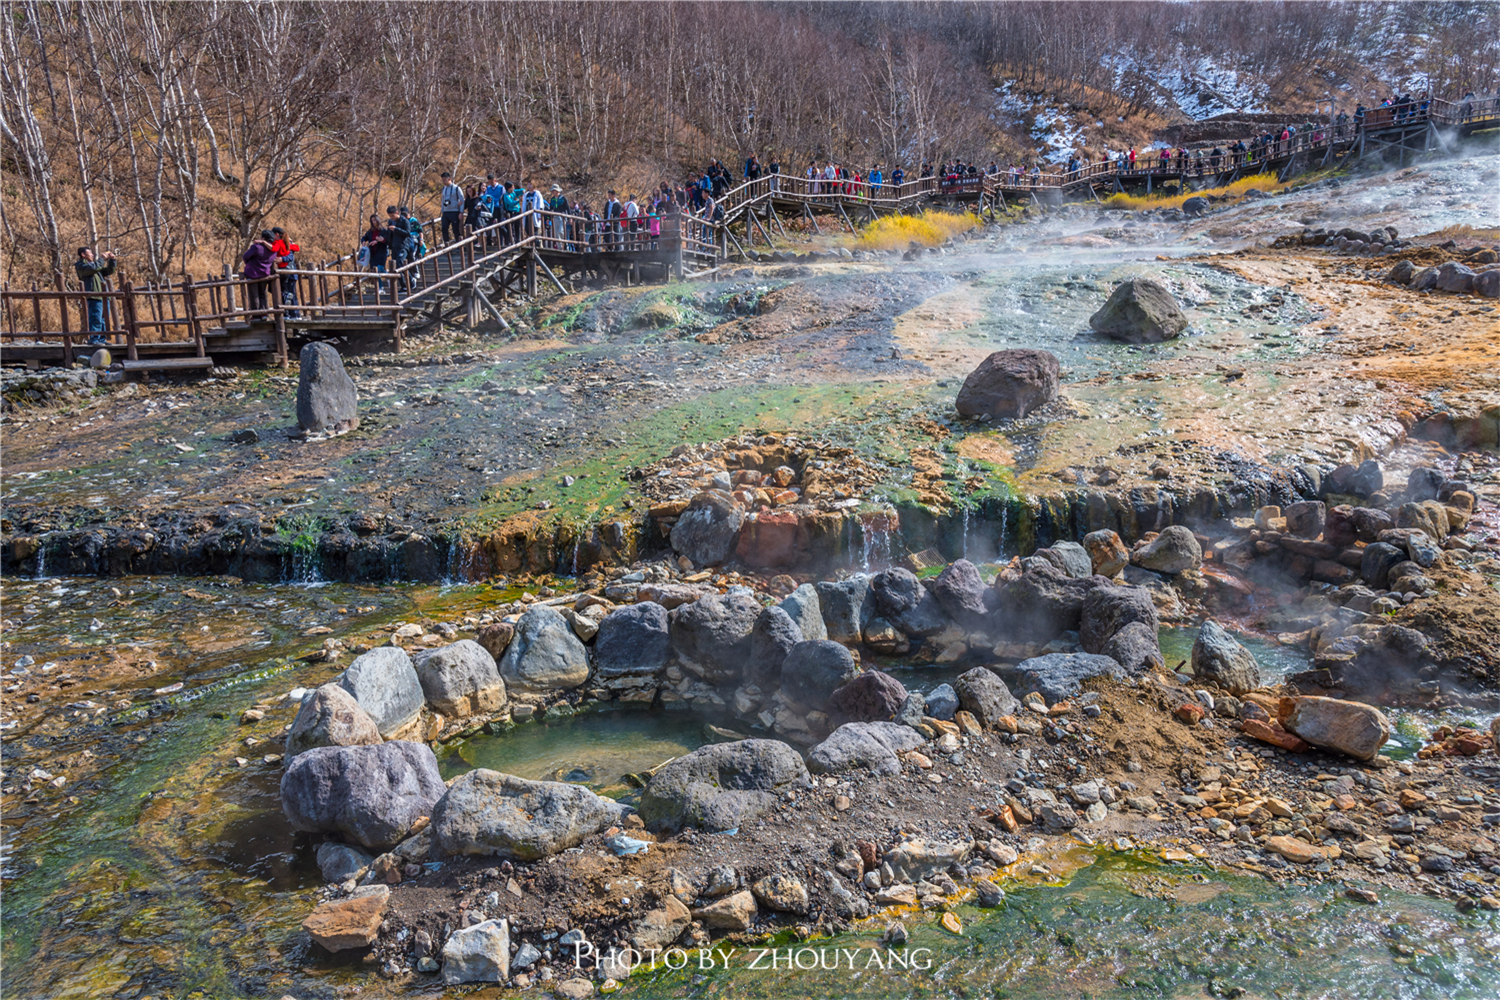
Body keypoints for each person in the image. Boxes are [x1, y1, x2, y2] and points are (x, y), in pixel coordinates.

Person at [74, 247, 116, 345]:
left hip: (103, 296)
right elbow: (93, 269)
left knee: (103, 319)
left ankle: (101, 339)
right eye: (90, 253)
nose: (92, 255)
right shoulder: (81, 266)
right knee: (95, 318)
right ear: (83, 255)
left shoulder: (95, 265)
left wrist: (112, 260)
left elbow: (108, 271)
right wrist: (101, 259)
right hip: (93, 295)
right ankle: (94, 339)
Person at [241, 229, 277, 314]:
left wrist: (248, 263)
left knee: (254, 295)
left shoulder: (257, 247)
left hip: (253, 272)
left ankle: (256, 314)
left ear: (263, 238)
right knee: (263, 294)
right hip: (265, 273)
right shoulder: (273, 250)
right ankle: (264, 313)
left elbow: (245, 256)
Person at [270, 227, 299, 313]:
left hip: (289, 272)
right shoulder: (286, 244)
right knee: (287, 295)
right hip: (288, 272)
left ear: (277, 235)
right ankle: (289, 314)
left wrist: (282, 259)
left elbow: (291, 256)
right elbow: (296, 248)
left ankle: (294, 314)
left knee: (291, 295)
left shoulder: (284, 244)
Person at [439, 171, 464, 244]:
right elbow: (443, 200)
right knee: (444, 228)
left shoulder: (457, 188)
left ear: (449, 179)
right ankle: (446, 245)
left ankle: (459, 245)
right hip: (446, 212)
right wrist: (442, 211)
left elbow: (462, 200)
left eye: (444, 179)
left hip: (455, 211)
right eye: (442, 180)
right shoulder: (444, 189)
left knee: (455, 229)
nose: (443, 181)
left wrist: (461, 212)